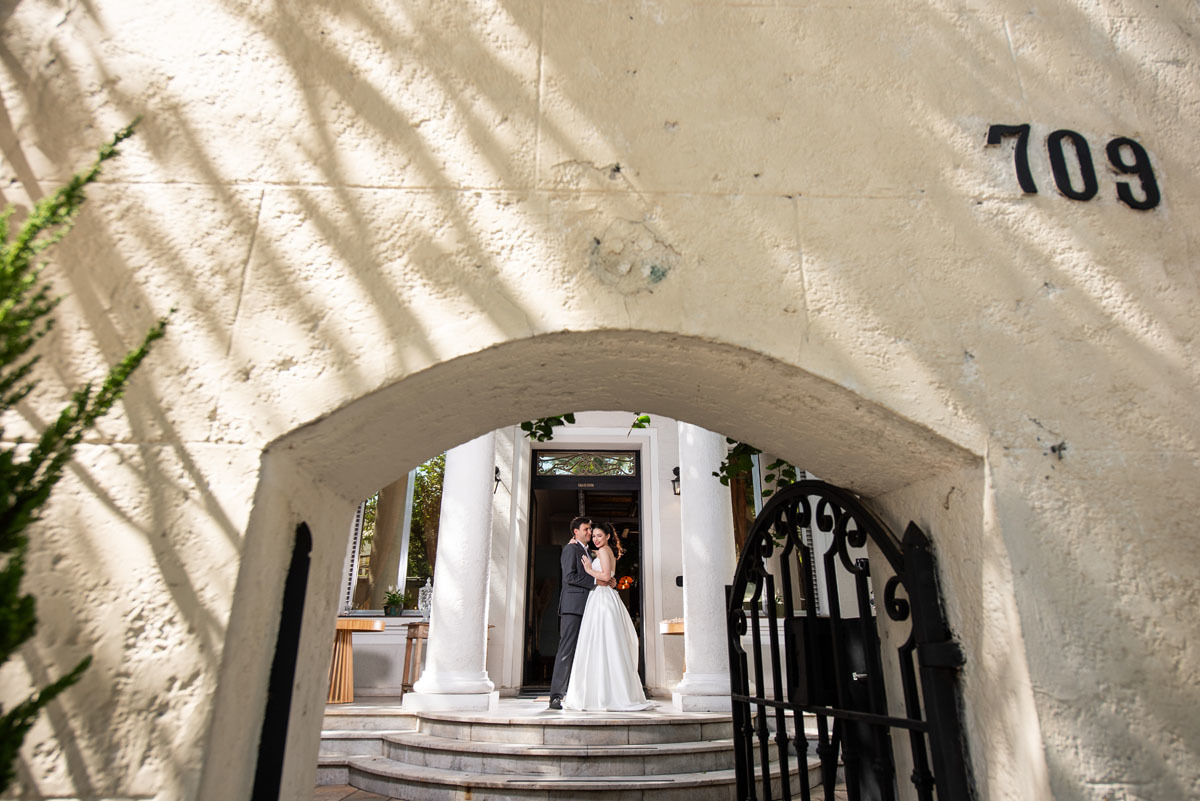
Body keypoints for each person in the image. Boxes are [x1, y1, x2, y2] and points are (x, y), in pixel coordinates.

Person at [562, 521, 653, 711]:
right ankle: (608, 691)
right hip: (603, 596)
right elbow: (609, 576)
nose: (595, 538)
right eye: (593, 535)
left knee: (600, 642)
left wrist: (589, 570)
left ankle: (602, 694)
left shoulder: (604, 551)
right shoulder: (604, 551)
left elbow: (604, 576)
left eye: (599, 535)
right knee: (604, 642)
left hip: (602, 599)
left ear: (608, 536)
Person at [548, 516, 614, 709]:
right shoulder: (570, 549)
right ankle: (556, 695)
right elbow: (569, 577)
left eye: (590, 529)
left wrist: (607, 580)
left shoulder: (590, 552)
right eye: (586, 529)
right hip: (573, 607)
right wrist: (595, 581)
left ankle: (579, 694)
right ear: (575, 532)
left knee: (585, 650)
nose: (589, 532)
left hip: (591, 607)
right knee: (566, 650)